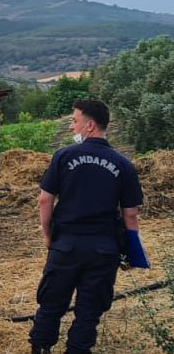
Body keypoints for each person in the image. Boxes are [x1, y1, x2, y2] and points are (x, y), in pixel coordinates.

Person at [29, 100, 144, 354]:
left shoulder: (64, 156)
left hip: (66, 245)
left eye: (75, 120)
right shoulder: (123, 164)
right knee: (89, 310)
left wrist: (48, 236)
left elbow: (45, 199)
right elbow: (131, 215)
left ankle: (40, 348)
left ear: (90, 125)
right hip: (104, 249)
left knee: (51, 303)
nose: (71, 126)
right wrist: (130, 252)